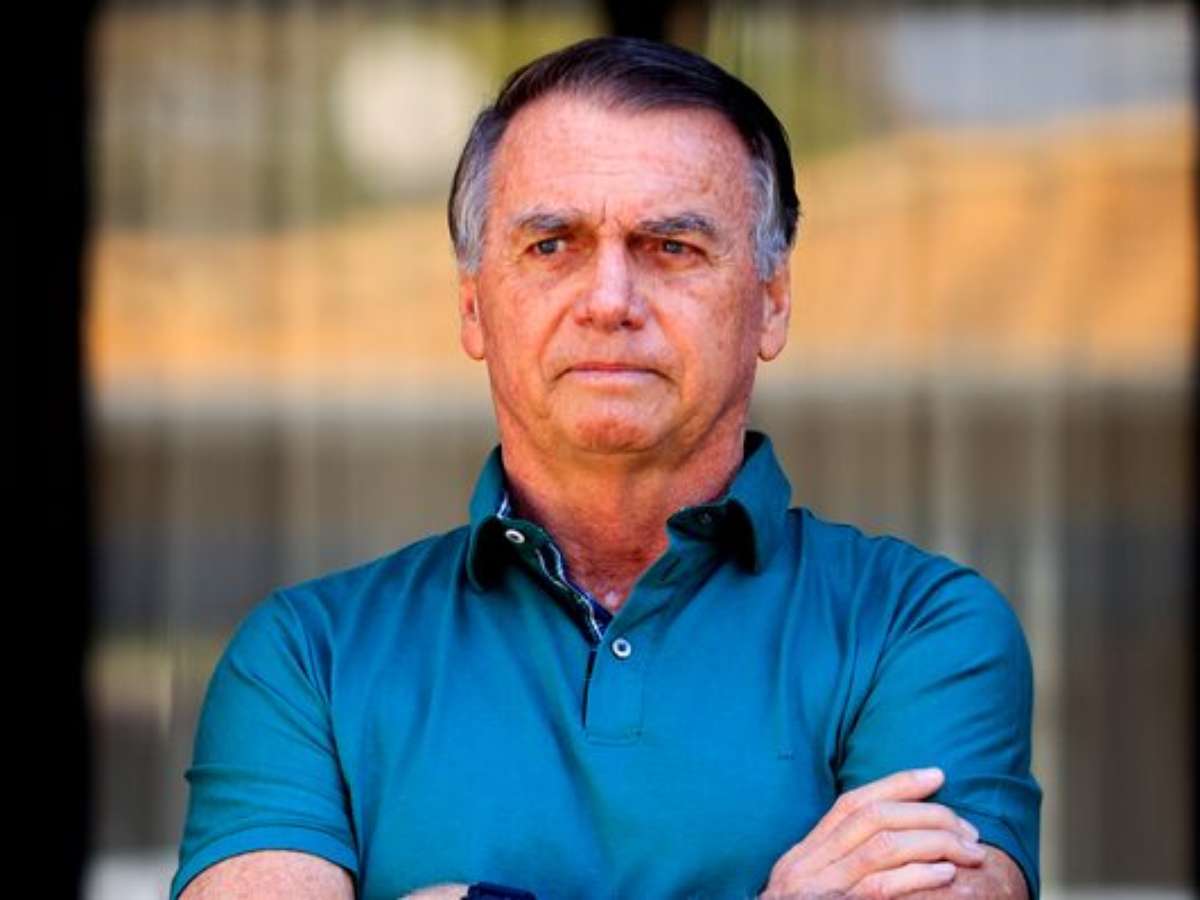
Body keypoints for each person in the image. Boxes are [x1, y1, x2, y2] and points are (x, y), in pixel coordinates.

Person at [170, 36, 1040, 900]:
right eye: (553, 245)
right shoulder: (307, 661)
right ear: (473, 306)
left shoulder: (918, 629)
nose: (610, 301)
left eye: (672, 247)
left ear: (772, 303)